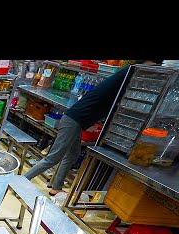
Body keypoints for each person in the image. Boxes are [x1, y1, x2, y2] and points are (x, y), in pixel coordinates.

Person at [24, 60, 160, 195]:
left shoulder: (116, 86)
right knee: (53, 158)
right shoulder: (126, 74)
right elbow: (131, 71)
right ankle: (22, 181)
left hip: (75, 122)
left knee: (72, 154)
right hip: (72, 121)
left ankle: (56, 186)